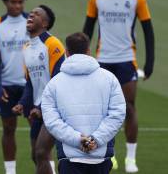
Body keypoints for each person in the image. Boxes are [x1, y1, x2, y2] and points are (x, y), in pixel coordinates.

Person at [82, 0, 155, 172]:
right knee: (102, 109)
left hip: (126, 60)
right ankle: (108, 154)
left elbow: (148, 30)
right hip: (102, 59)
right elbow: (87, 29)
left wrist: (149, 63)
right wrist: (82, 57)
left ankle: (130, 159)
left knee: (129, 107)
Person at [41, 32, 126, 174]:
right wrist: (95, 140)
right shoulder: (109, 79)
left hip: (69, 158)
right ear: (88, 51)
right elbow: (117, 114)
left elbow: (52, 121)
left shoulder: (54, 83)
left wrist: (78, 140)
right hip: (101, 156)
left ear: (67, 52)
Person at [12, 5, 65, 174]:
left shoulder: (52, 44)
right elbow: (30, 83)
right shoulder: (27, 48)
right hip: (38, 109)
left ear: (45, 23)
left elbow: (58, 80)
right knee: (36, 155)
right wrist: (22, 103)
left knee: (42, 152)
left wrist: (42, 107)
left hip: (53, 108)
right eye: (31, 13)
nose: (31, 15)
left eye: (36, 14)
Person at [0, 0, 30, 174]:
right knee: (8, 129)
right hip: (7, 85)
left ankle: (44, 165)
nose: (17, 6)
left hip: (30, 85)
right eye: (13, 2)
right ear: (6, 2)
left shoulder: (32, 21)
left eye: (21, 2)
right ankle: (10, 170)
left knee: (37, 128)